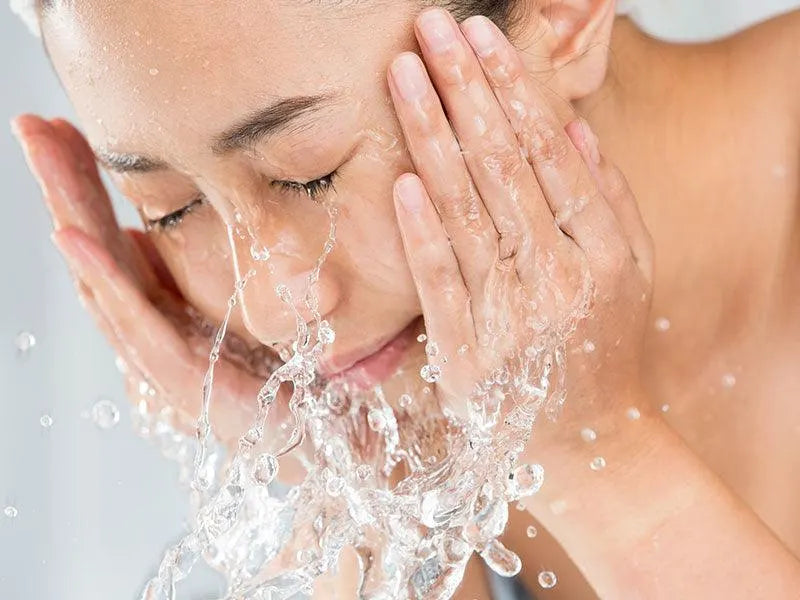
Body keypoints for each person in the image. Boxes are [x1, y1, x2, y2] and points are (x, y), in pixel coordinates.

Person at [11, 0, 800, 597]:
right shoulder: (407, 411)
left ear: (558, 12)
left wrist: (601, 456)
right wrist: (371, 500)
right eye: (171, 208)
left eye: (308, 175)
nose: (270, 312)